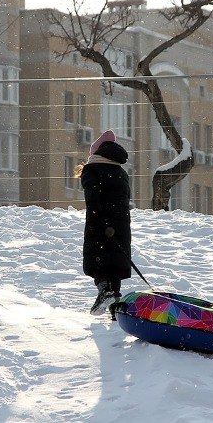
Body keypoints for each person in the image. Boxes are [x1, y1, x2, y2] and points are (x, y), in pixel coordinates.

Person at [75, 129, 132, 315]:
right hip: (121, 225)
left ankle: (104, 291)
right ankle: (115, 306)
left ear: (96, 153)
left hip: (100, 223)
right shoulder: (121, 172)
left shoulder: (92, 170)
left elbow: (92, 198)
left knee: (97, 261)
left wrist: (100, 220)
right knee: (115, 263)